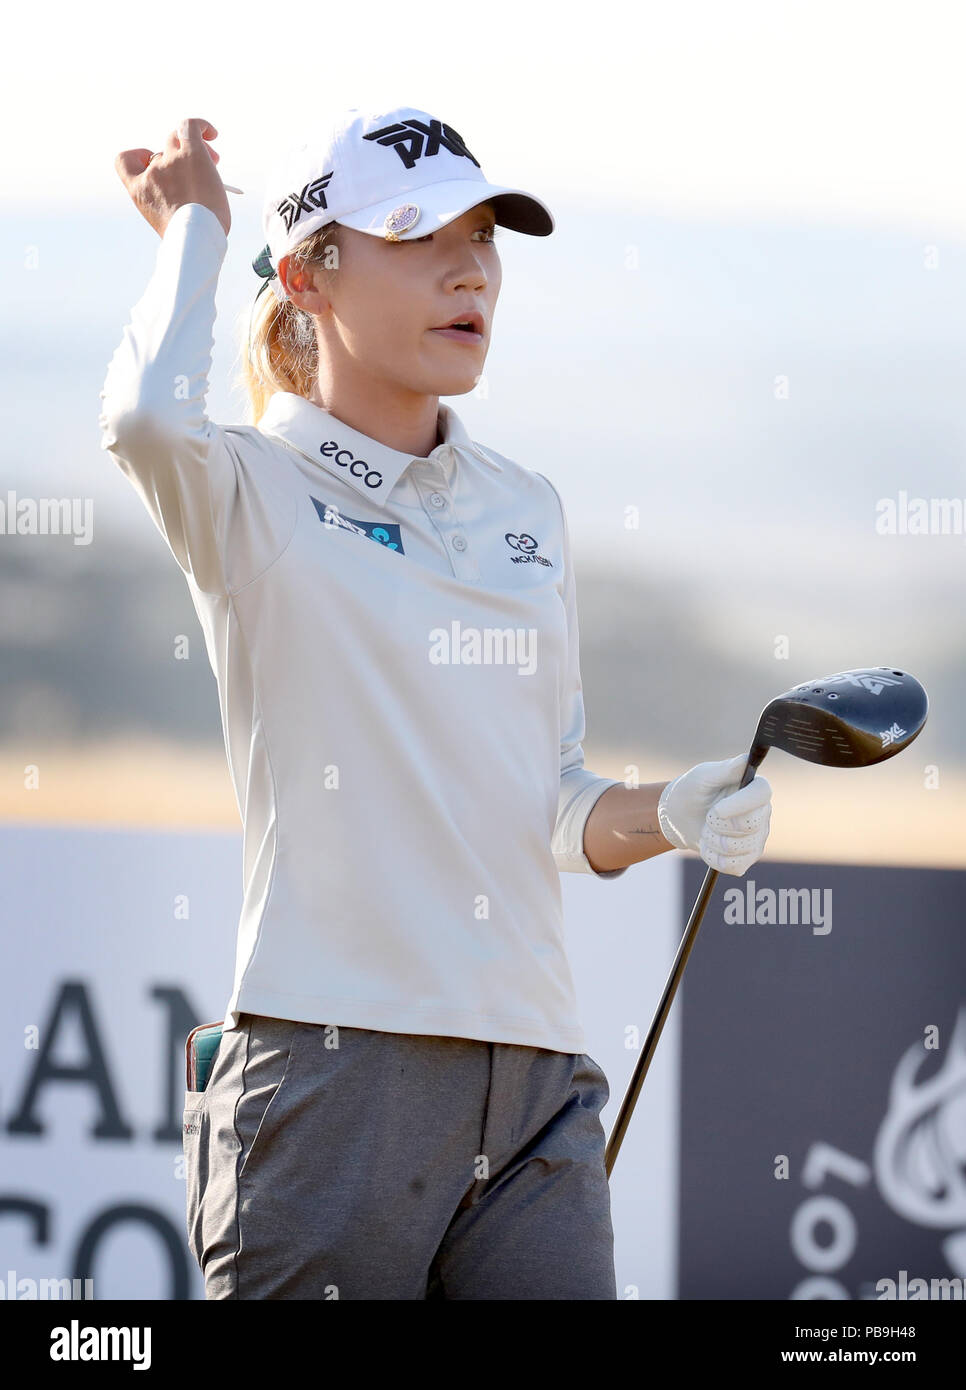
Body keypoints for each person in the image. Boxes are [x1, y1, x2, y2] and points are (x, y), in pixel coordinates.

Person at [99, 106, 772, 1301]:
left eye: (484, 236)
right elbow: (146, 414)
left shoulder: (529, 508)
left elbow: (555, 801)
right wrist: (197, 229)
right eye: (418, 237)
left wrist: (673, 808)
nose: (471, 271)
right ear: (309, 274)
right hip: (323, 1074)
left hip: (536, 1084)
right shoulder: (246, 486)